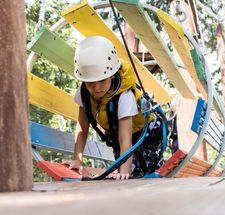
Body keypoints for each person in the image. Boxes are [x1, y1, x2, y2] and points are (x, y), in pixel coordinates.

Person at [65, 35, 166, 180]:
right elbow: (82, 128)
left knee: (144, 173)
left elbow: (126, 137)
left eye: (102, 81)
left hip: (146, 132)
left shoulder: (124, 96)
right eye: (90, 83)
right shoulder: (84, 93)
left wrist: (125, 173)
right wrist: (77, 159)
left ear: (112, 75)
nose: (96, 88)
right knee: (129, 173)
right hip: (118, 134)